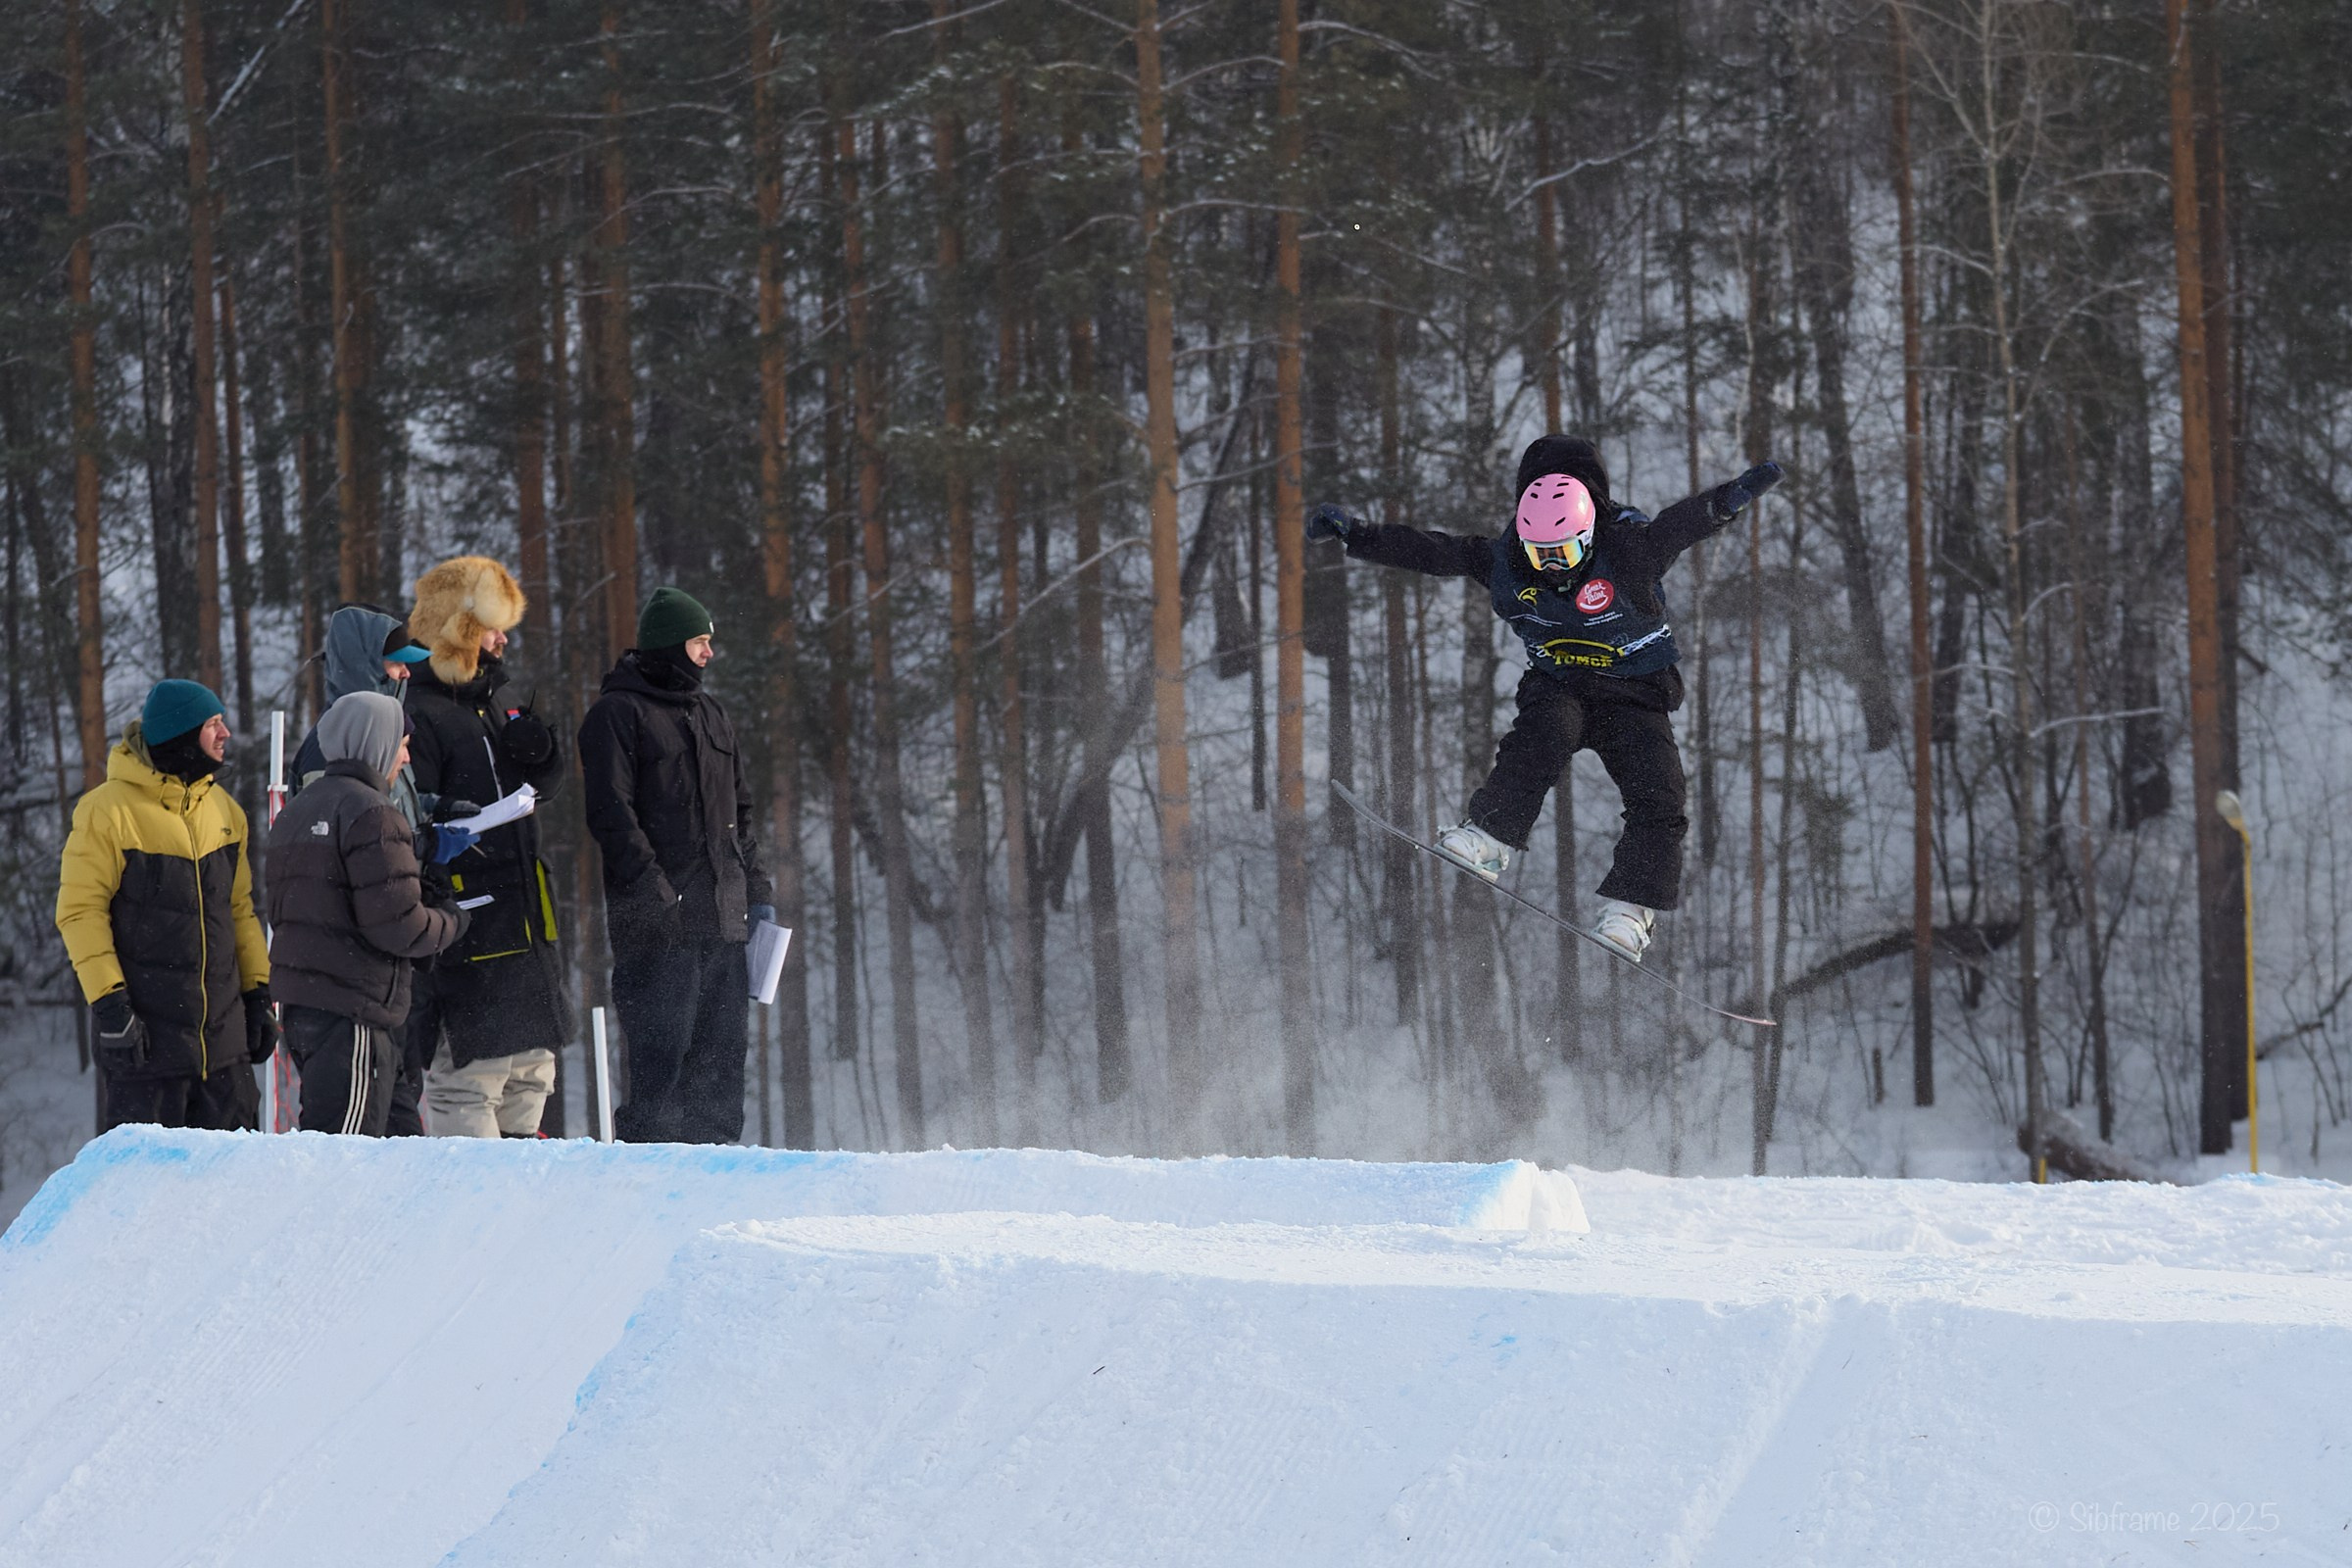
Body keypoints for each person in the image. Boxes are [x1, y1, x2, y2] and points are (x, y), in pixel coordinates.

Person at [1308, 435, 1782, 961]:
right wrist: (1359, 536)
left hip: (1635, 694)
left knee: (1661, 793)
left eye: (1564, 552)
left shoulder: (1629, 550)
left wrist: (1730, 498)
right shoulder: (1505, 561)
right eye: (1541, 553)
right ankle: (1490, 837)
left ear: (1589, 533)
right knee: (1541, 737)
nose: (1552, 565)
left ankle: (1631, 910)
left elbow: (1683, 523)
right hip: (1561, 684)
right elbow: (1433, 551)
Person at [578, 587, 773, 1144]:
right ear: (668, 644)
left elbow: (740, 814)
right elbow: (612, 816)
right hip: (658, 930)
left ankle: (718, 1173)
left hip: (725, 922)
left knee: (721, 1070)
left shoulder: (712, 713)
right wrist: (658, 895)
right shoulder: (616, 714)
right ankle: (649, 1180)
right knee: (661, 1072)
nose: (708, 653)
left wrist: (756, 890)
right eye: (698, 642)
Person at [288, 602, 474, 1135]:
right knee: (354, 1137)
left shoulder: (391, 736)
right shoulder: (333, 745)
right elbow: (346, 843)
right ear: (366, 664)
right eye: (396, 664)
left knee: (398, 1123)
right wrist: (423, 845)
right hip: (353, 974)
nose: (406, 675)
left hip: (389, 963)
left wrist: (439, 809)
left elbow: (397, 806)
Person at [55, 680, 273, 1130]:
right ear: (182, 734)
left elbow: (239, 910)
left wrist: (258, 994)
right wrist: (110, 1004)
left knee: (238, 1175)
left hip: (225, 1055)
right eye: (213, 723)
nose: (226, 733)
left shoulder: (226, 812)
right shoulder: (106, 812)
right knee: (147, 1178)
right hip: (147, 1053)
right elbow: (80, 913)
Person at [403, 555, 569, 1138]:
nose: (503, 640)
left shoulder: (493, 702)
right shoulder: (419, 713)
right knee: (472, 1080)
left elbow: (534, 796)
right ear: (459, 629)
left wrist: (543, 757)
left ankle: (520, 1197)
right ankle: (469, 1197)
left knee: (530, 1076)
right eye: (493, 627)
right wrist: (441, 828)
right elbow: (409, 824)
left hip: (525, 927)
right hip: (467, 935)